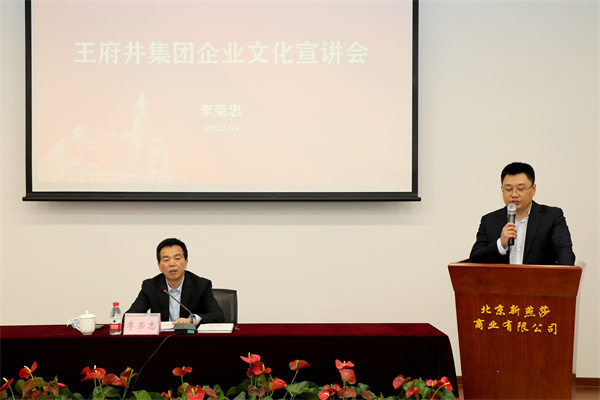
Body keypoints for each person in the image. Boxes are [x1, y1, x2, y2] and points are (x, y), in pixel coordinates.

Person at [469, 162, 575, 266]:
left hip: (538, 278)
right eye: (508, 189)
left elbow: (565, 257)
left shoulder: (552, 216)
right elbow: (475, 258)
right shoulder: (489, 221)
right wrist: (500, 244)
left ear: (533, 190)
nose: (514, 194)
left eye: (520, 189)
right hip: (501, 278)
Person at [126, 238, 224, 325]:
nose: (172, 264)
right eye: (166, 260)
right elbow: (128, 318)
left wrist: (192, 320)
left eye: (177, 259)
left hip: (190, 337)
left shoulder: (201, 285)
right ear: (159, 266)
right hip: (162, 339)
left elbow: (218, 316)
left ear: (185, 263)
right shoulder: (150, 286)